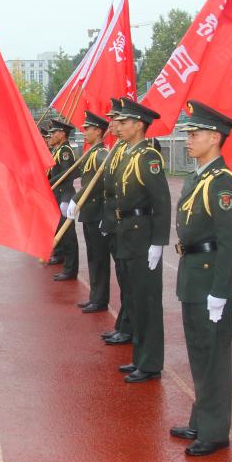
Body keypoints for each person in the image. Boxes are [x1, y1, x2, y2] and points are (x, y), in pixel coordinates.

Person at [170, 100, 232, 457]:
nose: (188, 140)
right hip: (193, 276)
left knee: (213, 358)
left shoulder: (222, 182)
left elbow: (231, 241)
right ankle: (201, 420)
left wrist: (220, 289)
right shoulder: (198, 176)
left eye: (194, 133)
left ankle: (215, 432)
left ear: (215, 137)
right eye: (188, 133)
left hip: (210, 279)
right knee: (199, 355)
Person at [110, 98, 170, 383]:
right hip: (127, 233)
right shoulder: (128, 154)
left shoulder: (148, 157)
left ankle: (150, 362)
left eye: (124, 122)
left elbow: (161, 201)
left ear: (138, 125)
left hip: (142, 236)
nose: (119, 126)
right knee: (133, 298)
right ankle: (140, 356)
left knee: (147, 302)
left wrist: (158, 242)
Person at [66, 110, 111, 313]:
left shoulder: (101, 155)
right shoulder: (91, 152)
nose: (84, 132)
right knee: (92, 256)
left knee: (99, 258)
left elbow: (99, 183)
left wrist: (76, 199)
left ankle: (100, 299)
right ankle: (95, 295)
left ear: (98, 131)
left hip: (97, 212)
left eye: (88, 129)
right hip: (89, 213)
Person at [99, 98, 133, 345]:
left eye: (117, 120)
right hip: (114, 221)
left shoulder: (131, 151)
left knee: (129, 282)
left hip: (126, 224)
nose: (112, 125)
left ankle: (128, 327)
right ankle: (123, 322)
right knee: (122, 278)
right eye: (112, 120)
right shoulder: (118, 148)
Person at [47, 119, 79, 280]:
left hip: (65, 193)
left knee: (67, 234)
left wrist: (48, 183)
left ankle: (70, 269)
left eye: (54, 132)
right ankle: (61, 256)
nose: (52, 135)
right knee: (59, 230)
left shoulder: (65, 151)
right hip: (57, 193)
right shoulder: (58, 150)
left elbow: (67, 174)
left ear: (62, 134)